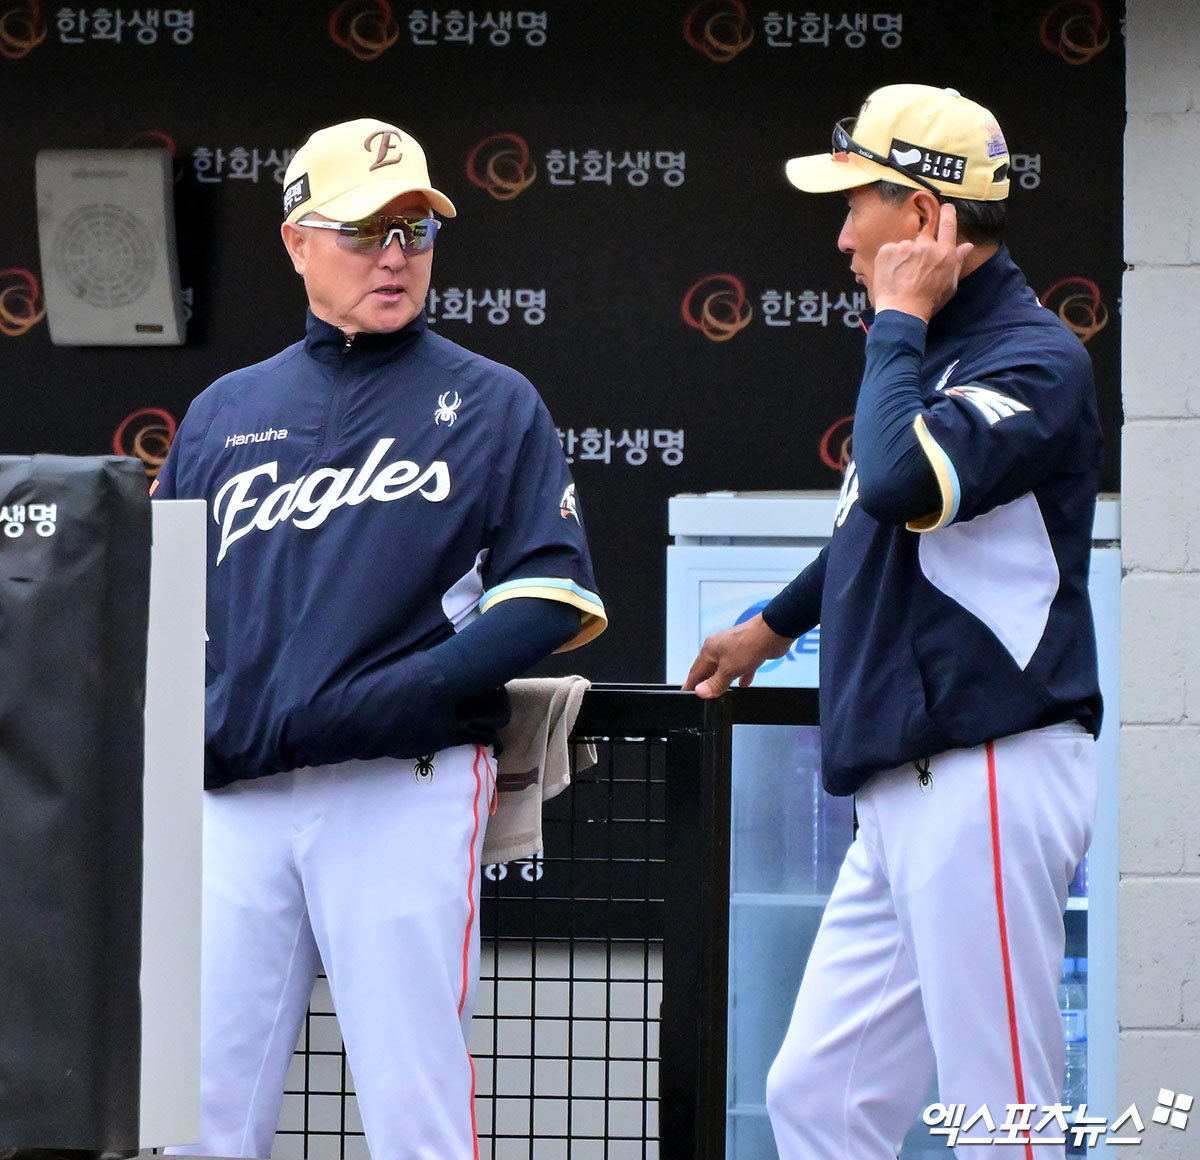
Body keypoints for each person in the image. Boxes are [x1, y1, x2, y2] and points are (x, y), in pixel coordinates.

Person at [152, 117, 607, 1159]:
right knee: (195, 1112)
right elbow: (159, 611)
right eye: (364, 230)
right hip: (236, 798)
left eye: (415, 229)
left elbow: (550, 595)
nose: (394, 255)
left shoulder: (493, 401)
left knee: (415, 1107)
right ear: (296, 241)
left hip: (401, 782)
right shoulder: (223, 411)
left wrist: (399, 693)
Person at [685, 84, 1102, 1157]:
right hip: (907, 783)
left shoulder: (1033, 353)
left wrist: (900, 320)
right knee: (818, 1098)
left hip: (989, 765)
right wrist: (774, 625)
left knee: (1001, 1115)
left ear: (923, 216)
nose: (841, 238)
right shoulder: (935, 350)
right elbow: (874, 532)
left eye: (855, 207)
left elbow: (901, 484)